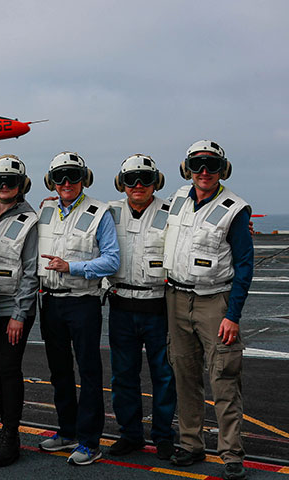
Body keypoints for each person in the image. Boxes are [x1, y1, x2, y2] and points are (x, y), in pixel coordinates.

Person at [163, 140, 253, 480]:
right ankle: (190, 443)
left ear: (222, 169)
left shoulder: (235, 209)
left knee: (224, 378)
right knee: (184, 374)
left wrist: (233, 314)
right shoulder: (176, 202)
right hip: (175, 298)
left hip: (215, 301)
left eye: (211, 165)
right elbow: (135, 207)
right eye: (198, 165)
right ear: (187, 168)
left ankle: (231, 453)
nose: (204, 172)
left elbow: (245, 265)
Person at [36, 152, 119, 466]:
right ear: (52, 181)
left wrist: (72, 266)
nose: (66, 182)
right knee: (59, 372)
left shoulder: (100, 213)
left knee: (89, 372)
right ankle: (66, 431)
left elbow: (112, 260)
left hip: (83, 302)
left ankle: (90, 441)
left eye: (72, 176)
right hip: (51, 302)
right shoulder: (45, 209)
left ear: (84, 178)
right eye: (60, 177)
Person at [106, 154, 176, 460]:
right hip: (121, 306)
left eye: (145, 179)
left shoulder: (172, 213)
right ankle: (130, 434)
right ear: (121, 183)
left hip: (157, 307)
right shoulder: (107, 213)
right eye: (131, 179)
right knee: (123, 376)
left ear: (155, 182)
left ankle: (163, 436)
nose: (138, 185)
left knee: (164, 375)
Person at [0, 155, 38, 467]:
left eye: (10, 181)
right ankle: (4, 430)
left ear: (21, 186)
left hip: (13, 311)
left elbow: (31, 271)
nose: (4, 186)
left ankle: (12, 437)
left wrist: (19, 314)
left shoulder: (31, 220)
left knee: (10, 371)